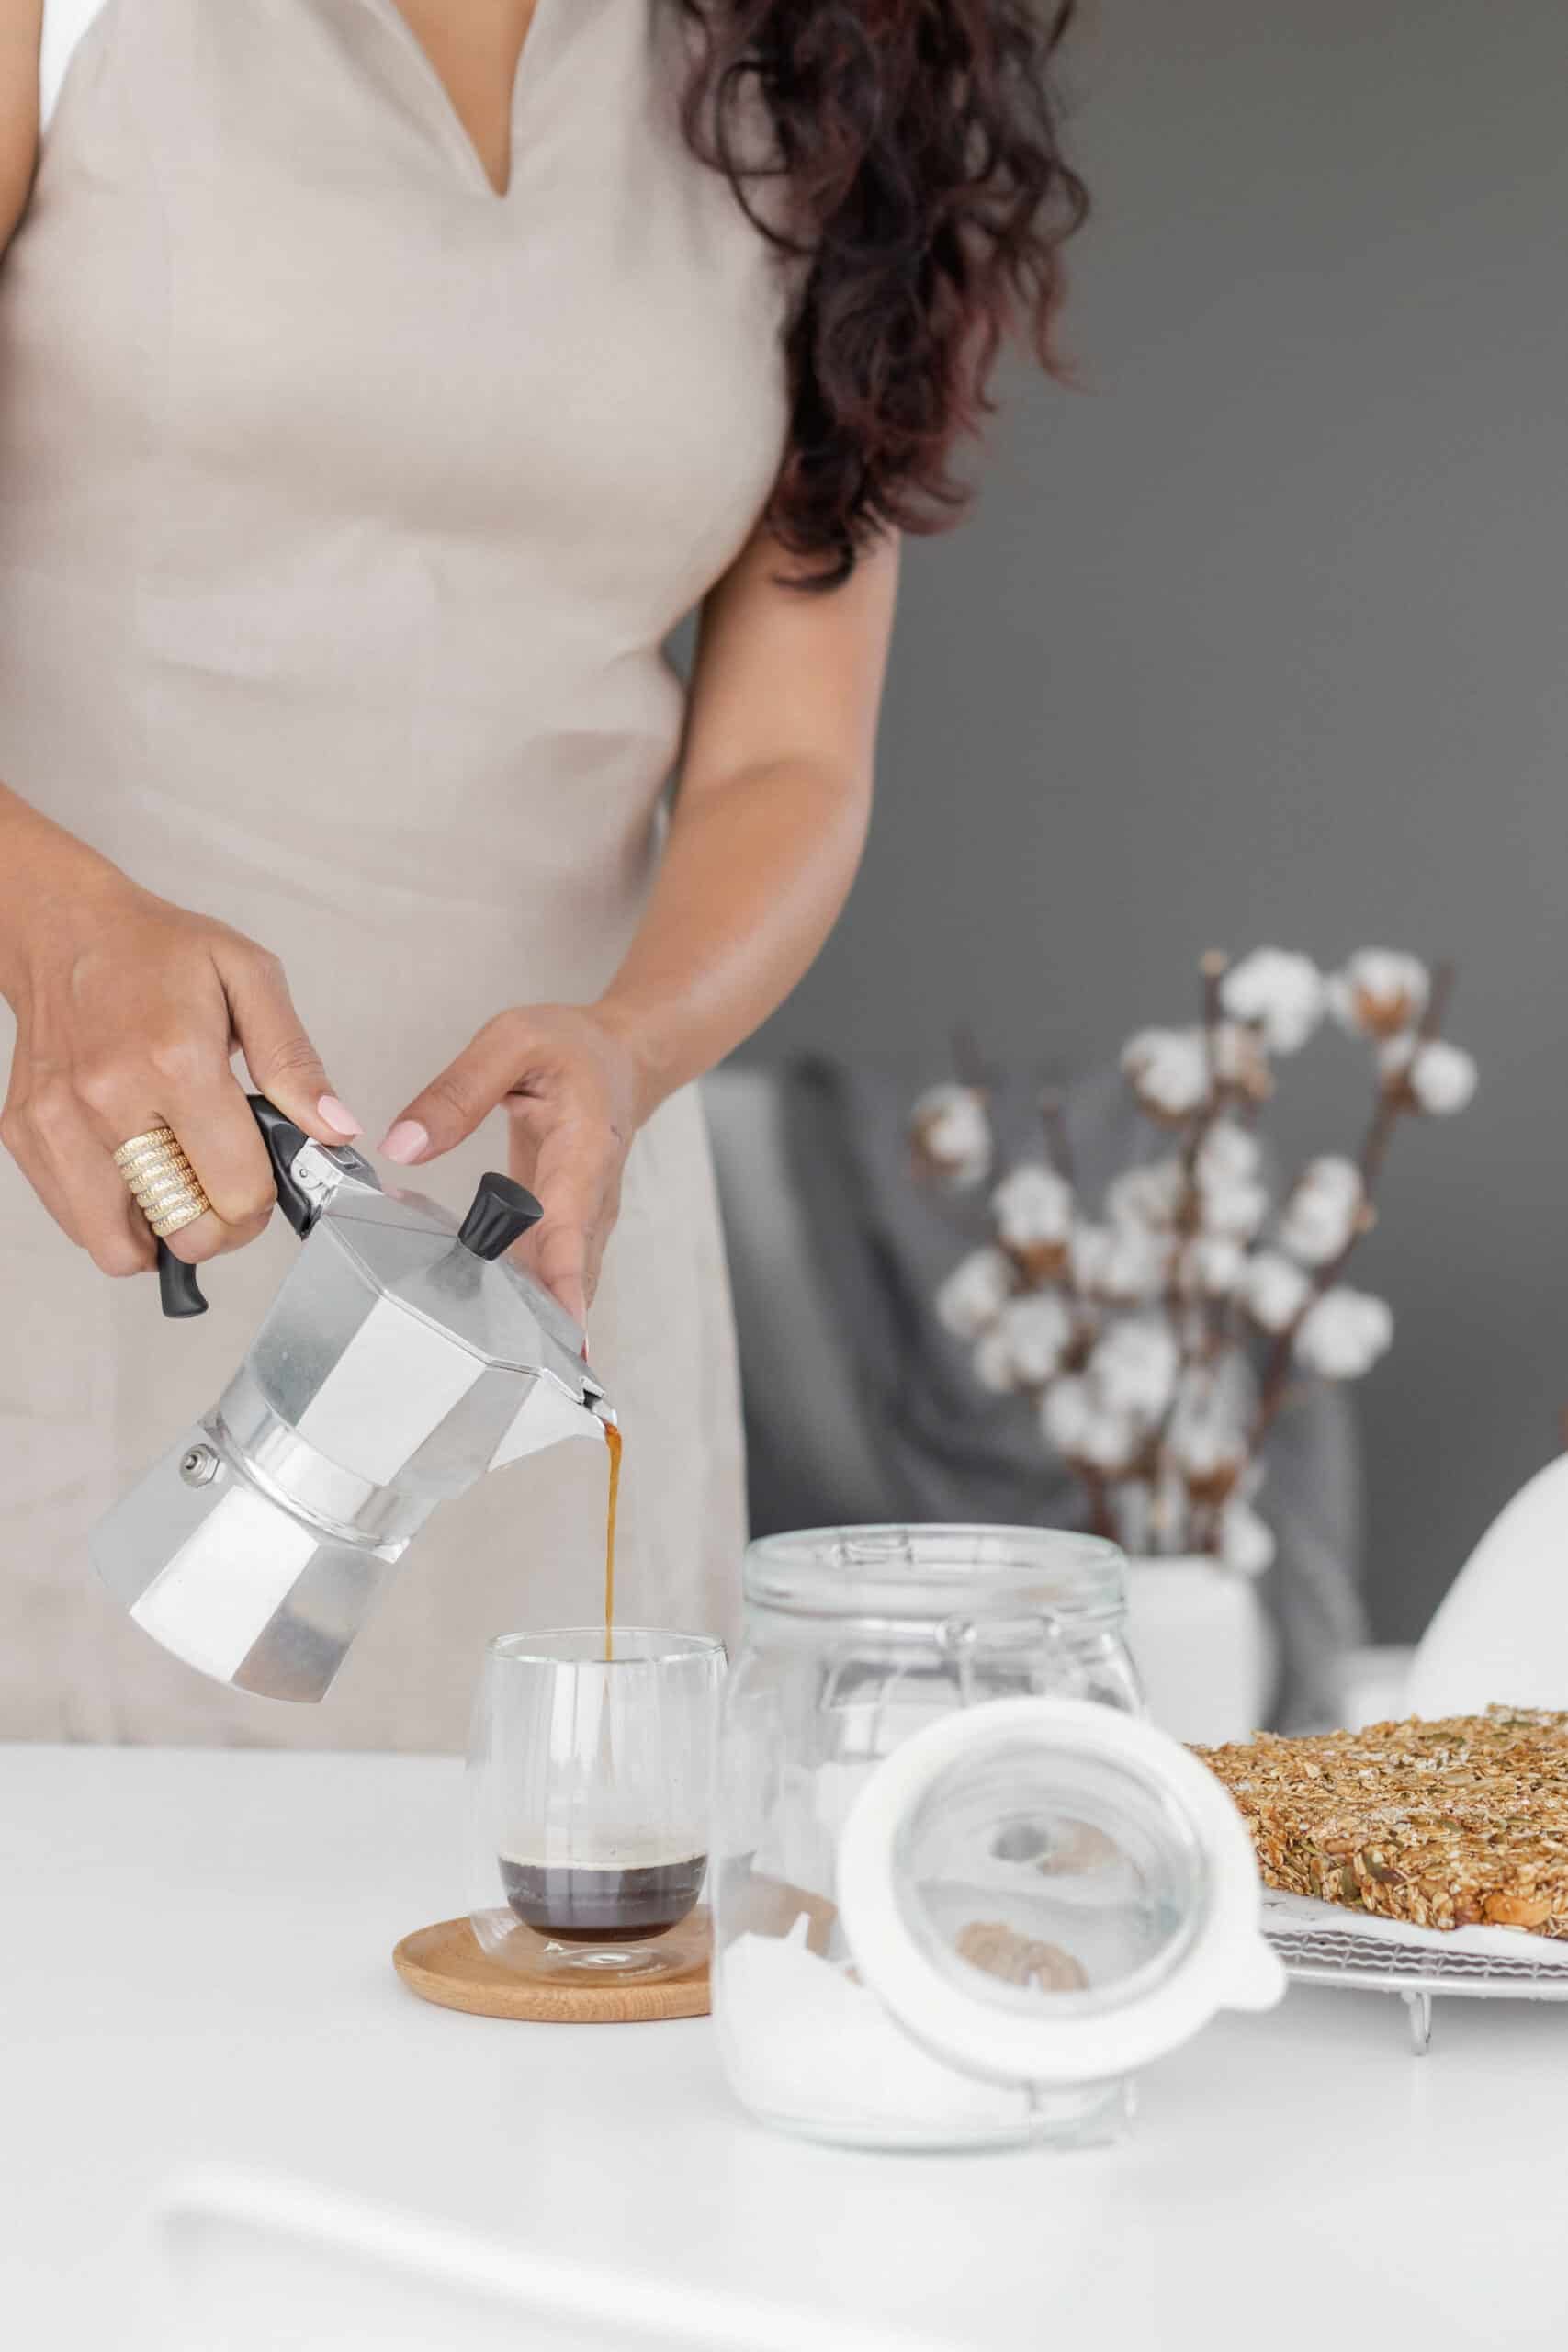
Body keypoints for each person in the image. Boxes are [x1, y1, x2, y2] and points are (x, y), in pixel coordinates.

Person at [0, 0, 1087, 1746]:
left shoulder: (830, 85)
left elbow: (784, 757)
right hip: (68, 1152)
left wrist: (637, 1043)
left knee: (535, 1896)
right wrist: (46, 926)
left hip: (537, 1250)